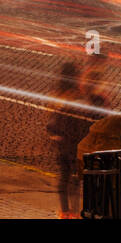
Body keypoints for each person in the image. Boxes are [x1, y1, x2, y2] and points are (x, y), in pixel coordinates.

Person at [47, 62, 89, 218]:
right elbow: (82, 121)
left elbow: (51, 120)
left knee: (64, 177)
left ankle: (64, 212)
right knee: (76, 180)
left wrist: (56, 137)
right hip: (75, 143)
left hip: (63, 143)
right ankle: (76, 213)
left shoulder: (58, 94)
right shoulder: (76, 95)